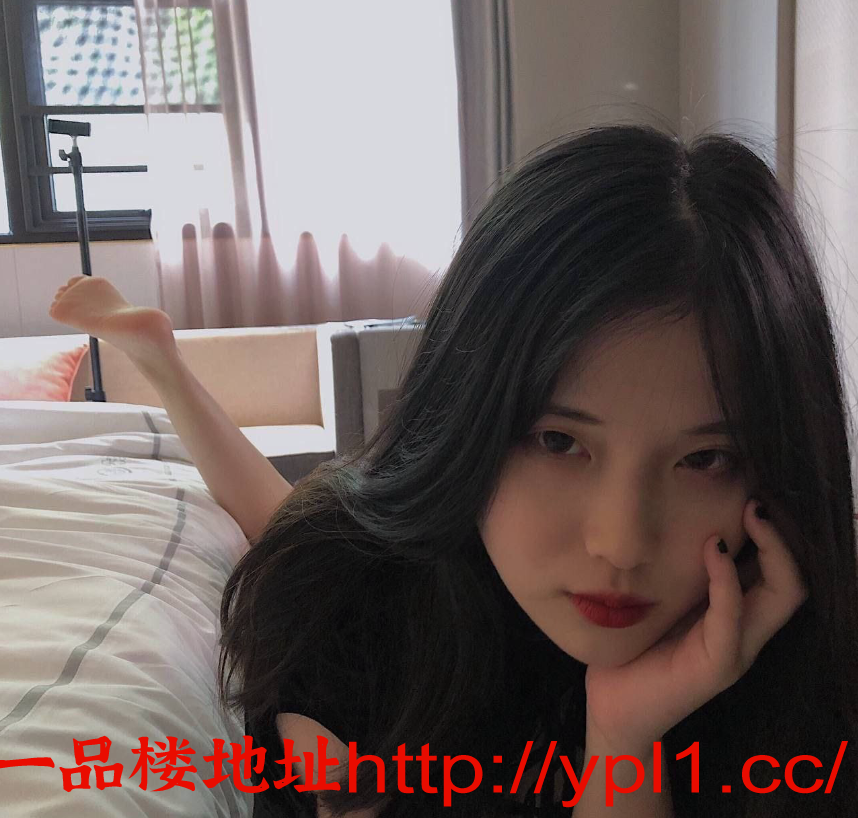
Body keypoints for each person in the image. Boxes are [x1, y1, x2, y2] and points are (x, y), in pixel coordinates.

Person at [49, 122, 858, 818]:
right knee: (300, 528)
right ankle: (161, 361)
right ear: (473, 415)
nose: (619, 543)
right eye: (558, 441)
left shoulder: (804, 664)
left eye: (704, 459)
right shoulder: (358, 628)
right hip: (383, 562)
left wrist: (625, 740)